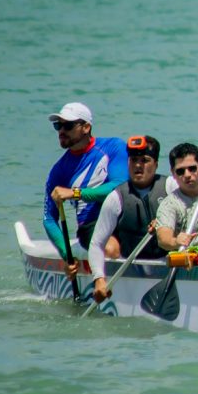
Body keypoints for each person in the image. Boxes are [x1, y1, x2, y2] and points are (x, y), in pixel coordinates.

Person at [43, 102, 129, 279]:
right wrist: (67, 256)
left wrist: (75, 193)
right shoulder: (59, 170)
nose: (61, 131)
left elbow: (119, 186)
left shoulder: (113, 147)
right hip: (92, 224)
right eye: (58, 126)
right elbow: (49, 219)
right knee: (112, 250)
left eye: (67, 125)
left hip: (123, 217)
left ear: (86, 127)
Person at [87, 135, 174, 303]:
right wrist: (99, 279)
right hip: (131, 267)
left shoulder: (171, 187)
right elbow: (96, 243)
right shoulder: (115, 198)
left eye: (145, 160)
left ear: (156, 164)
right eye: (133, 160)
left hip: (167, 263)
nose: (138, 165)